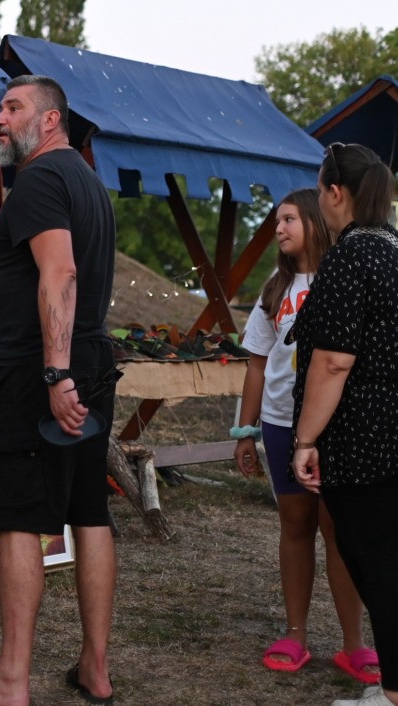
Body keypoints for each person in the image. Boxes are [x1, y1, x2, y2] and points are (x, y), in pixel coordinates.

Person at [0, 75, 117, 706]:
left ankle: (10, 681)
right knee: (89, 511)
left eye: (13, 107)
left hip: (42, 371)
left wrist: (55, 374)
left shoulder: (41, 178)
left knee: (18, 517)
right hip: (90, 361)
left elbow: (61, 273)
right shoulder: (88, 181)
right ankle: (94, 668)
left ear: (49, 120)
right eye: (0, 106)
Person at [234, 189, 377, 681]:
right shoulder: (275, 288)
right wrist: (245, 431)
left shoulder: (345, 274)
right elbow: (256, 365)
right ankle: (295, 634)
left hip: (335, 425)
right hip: (279, 424)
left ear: (316, 220)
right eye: (277, 221)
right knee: (295, 526)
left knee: (339, 530)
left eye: (290, 219)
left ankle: (354, 643)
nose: (279, 228)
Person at [290, 143, 398, 706]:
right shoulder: (394, 248)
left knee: (379, 567)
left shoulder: (351, 256)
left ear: (335, 192)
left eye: (320, 190)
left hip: (365, 440)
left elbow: (333, 361)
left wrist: (305, 439)